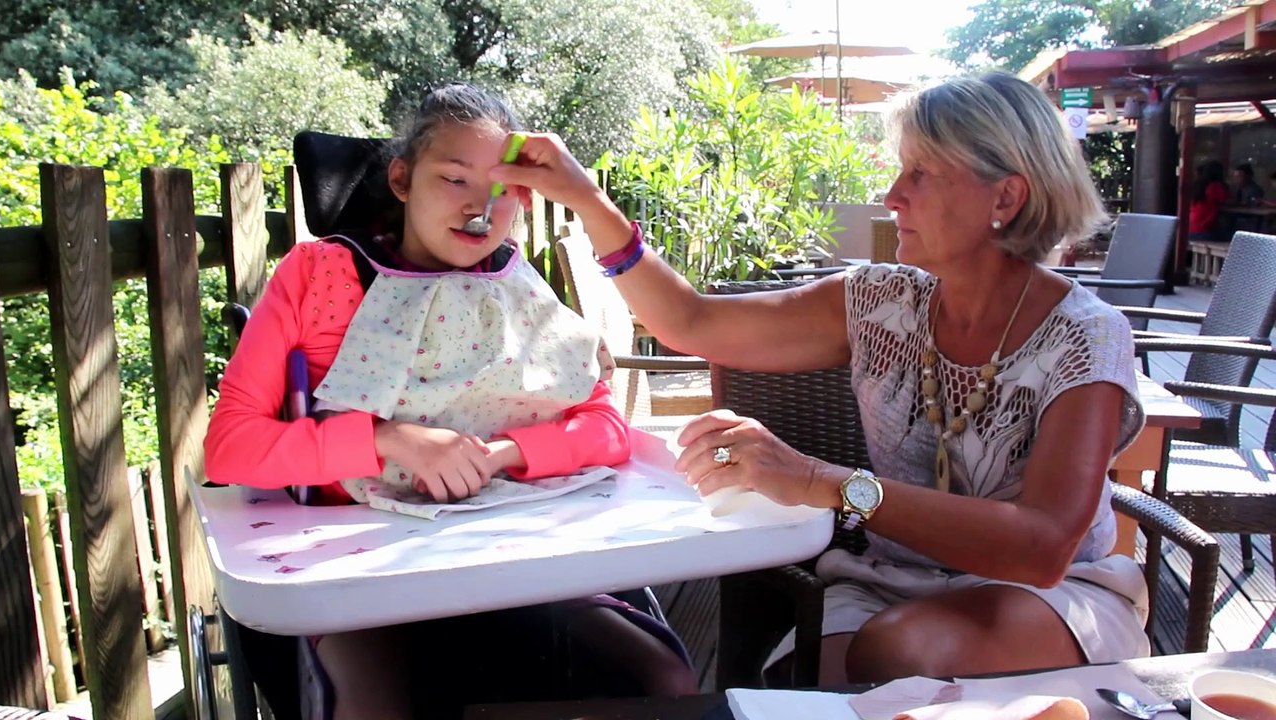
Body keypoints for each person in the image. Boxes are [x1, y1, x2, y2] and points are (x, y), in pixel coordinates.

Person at [492, 71, 1149, 686]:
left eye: (919, 174)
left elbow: (1042, 549)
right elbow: (690, 322)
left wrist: (818, 481)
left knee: (900, 653)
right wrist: (585, 197)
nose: (892, 195)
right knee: (793, 689)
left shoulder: (1084, 336)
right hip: (888, 582)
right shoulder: (879, 303)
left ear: (1005, 196)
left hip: (1053, 597)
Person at [203, 83, 696, 720]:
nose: (477, 211)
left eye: (500, 192)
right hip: (359, 567)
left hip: (516, 549)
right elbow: (231, 447)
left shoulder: (515, 285)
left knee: (667, 677)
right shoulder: (316, 275)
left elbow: (605, 427)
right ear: (403, 179)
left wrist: (497, 455)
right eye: (454, 180)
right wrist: (387, 439)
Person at [1189, 160, 1230, 241]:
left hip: (1191, 230)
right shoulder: (1215, 186)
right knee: (1235, 236)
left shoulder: (1198, 186)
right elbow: (1227, 201)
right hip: (1204, 231)